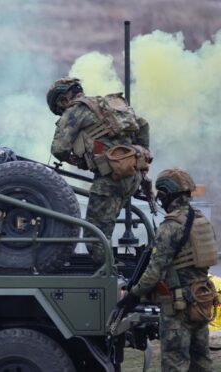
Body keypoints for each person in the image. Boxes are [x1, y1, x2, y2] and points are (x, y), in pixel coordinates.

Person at [117, 168, 217, 371]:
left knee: (175, 364)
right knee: (202, 363)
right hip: (201, 299)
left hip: (178, 307)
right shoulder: (202, 221)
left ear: (165, 194)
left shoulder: (170, 226)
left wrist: (133, 295)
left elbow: (154, 272)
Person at [47, 77, 150, 264]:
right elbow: (142, 124)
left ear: (63, 100)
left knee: (95, 234)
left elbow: (59, 148)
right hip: (132, 175)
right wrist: (141, 154)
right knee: (107, 225)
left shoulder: (74, 111)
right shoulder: (107, 104)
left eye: (59, 109)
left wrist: (78, 161)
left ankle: (107, 274)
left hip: (110, 180)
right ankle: (111, 267)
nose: (62, 112)